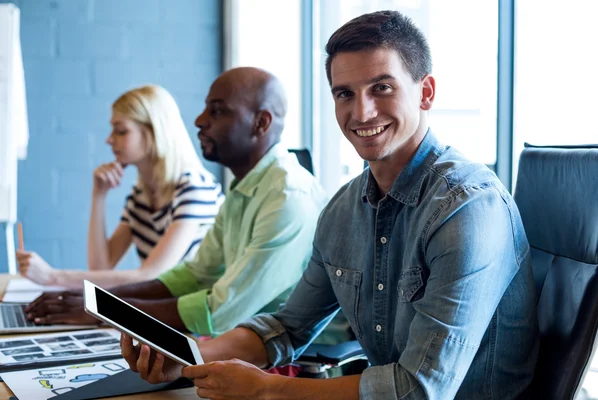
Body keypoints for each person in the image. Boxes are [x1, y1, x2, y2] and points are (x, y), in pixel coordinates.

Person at [121, 10, 540, 400]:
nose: (361, 111)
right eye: (344, 94)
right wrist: (190, 357)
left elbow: (418, 389)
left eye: (382, 87)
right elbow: (287, 328)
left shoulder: (466, 207)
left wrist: (267, 390)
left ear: (425, 92)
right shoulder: (343, 210)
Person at [26, 68, 333, 345]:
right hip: (235, 341)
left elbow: (219, 311)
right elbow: (193, 276)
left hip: (286, 358)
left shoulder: (287, 199)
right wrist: (96, 300)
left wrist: (103, 308)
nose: (199, 121)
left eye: (217, 111)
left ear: (261, 123)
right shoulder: (245, 186)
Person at [16, 85, 223, 289]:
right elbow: (100, 268)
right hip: (166, 308)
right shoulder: (140, 197)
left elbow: (153, 276)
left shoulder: (195, 189)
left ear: (154, 132)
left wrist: (54, 277)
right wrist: (99, 195)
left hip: (196, 316)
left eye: (121, 131)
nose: (109, 139)